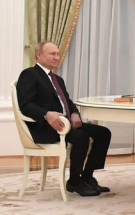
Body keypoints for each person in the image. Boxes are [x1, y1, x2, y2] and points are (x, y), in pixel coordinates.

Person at [16, 41, 112, 197]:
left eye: (58, 54)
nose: (56, 57)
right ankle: (74, 182)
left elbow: (67, 101)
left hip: (65, 123)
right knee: (81, 137)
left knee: (103, 133)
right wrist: (46, 114)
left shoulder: (57, 79)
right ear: (39, 55)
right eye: (52, 54)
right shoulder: (29, 74)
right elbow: (25, 105)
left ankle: (87, 177)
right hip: (47, 126)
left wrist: (74, 113)